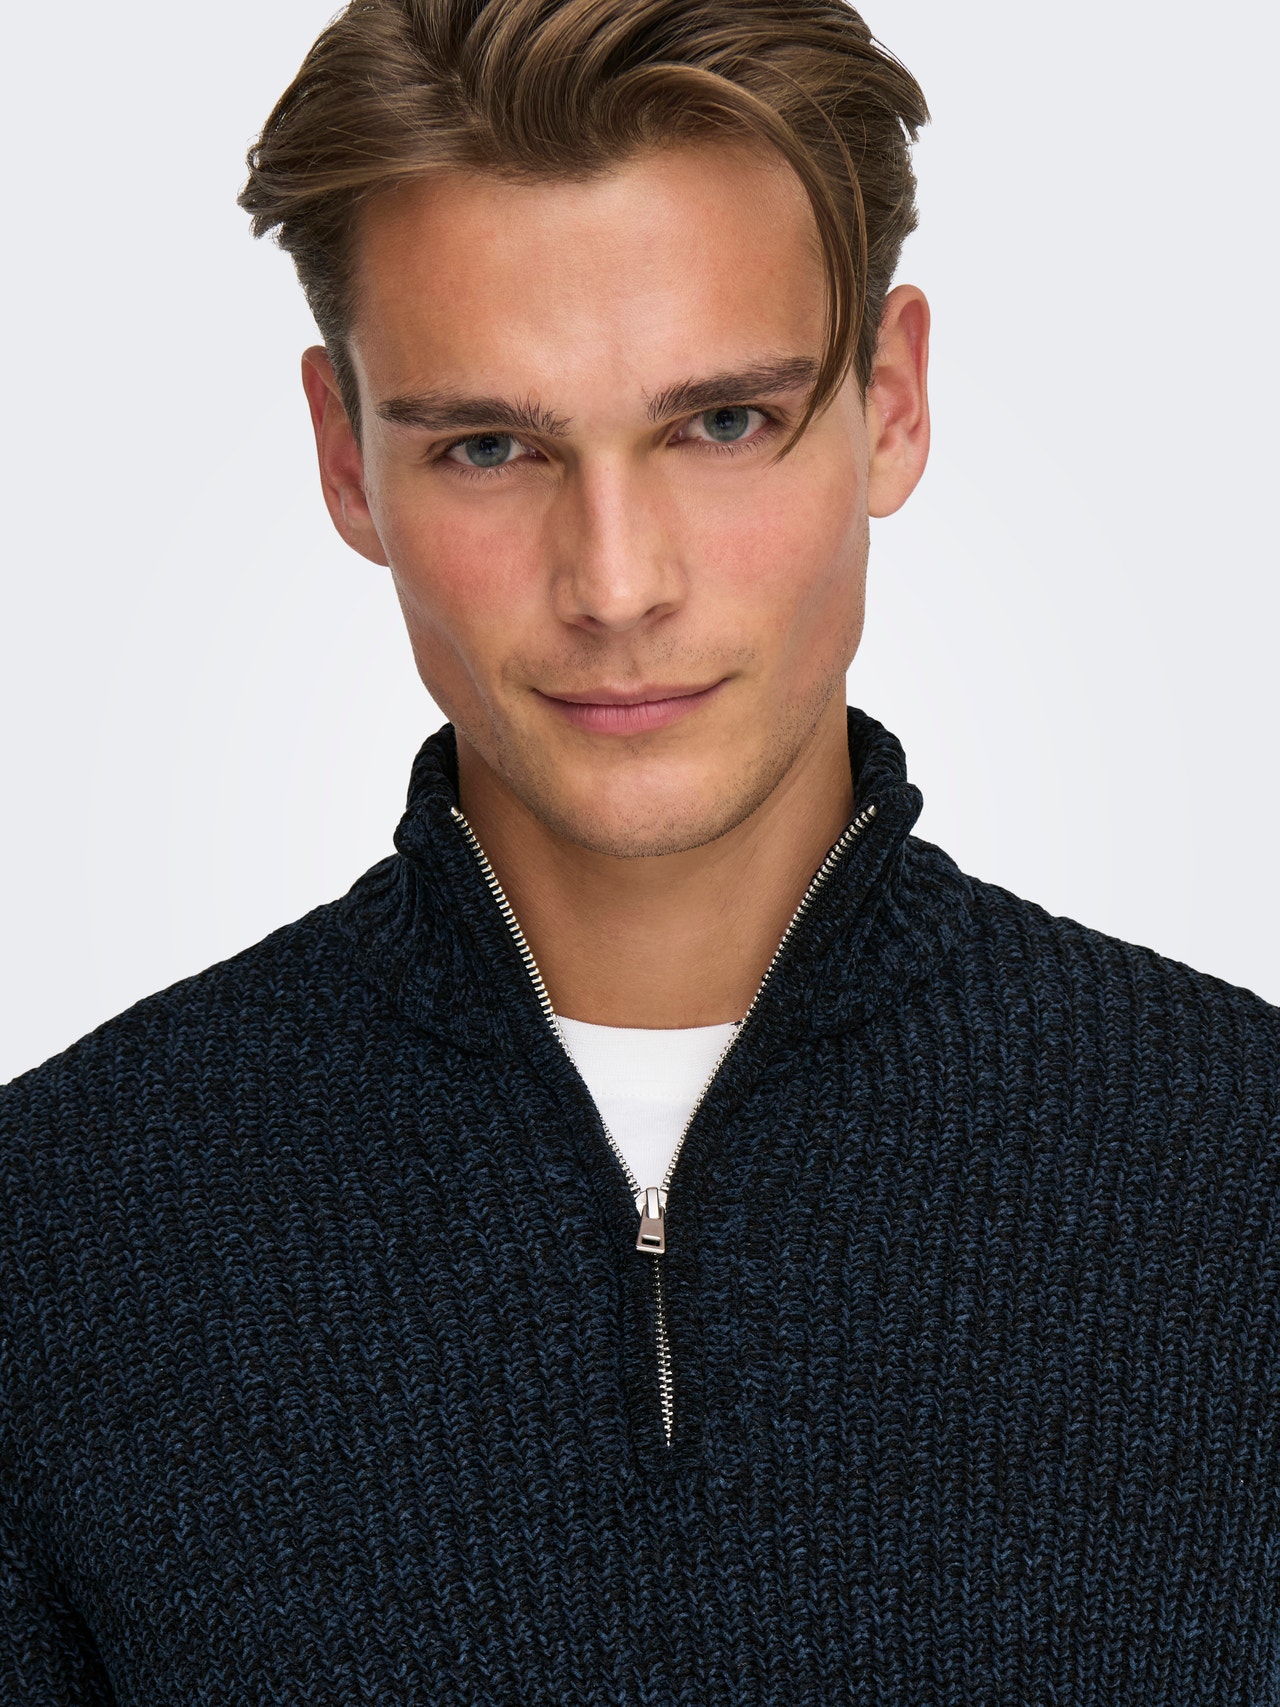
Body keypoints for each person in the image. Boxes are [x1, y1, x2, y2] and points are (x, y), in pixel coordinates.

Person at [2, 0, 1277, 1699]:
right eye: (490, 447)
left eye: (721, 424)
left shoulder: (1243, 1175)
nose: (616, 584)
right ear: (346, 460)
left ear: (893, 403)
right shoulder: (59, 1235)